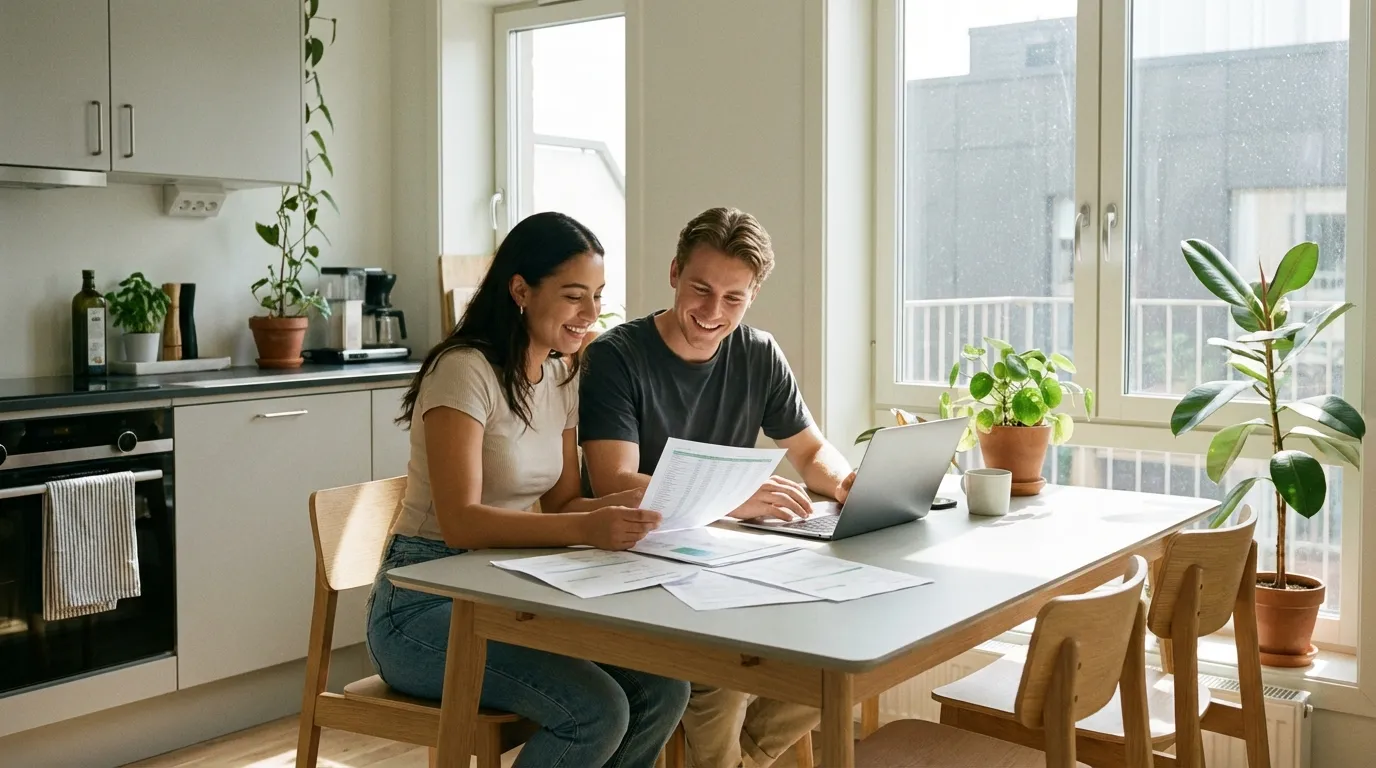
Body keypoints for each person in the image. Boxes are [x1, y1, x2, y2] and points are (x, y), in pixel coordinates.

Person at [366, 211, 690, 768]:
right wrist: (586, 528)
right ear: (520, 290)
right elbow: (462, 522)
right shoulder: (462, 371)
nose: (591, 315)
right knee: (597, 712)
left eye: (597, 295)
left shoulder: (561, 375)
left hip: (506, 588)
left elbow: (564, 503)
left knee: (664, 688)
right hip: (422, 602)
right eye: (573, 296)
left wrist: (632, 502)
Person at [578, 206, 856, 768]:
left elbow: (810, 452)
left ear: (752, 296)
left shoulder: (758, 353)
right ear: (675, 272)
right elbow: (614, 481)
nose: (712, 312)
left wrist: (847, 480)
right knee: (724, 672)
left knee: (842, 647)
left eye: (734, 298)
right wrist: (733, 498)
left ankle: (740, 760)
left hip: (721, 563)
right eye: (701, 289)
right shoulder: (617, 356)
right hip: (634, 563)